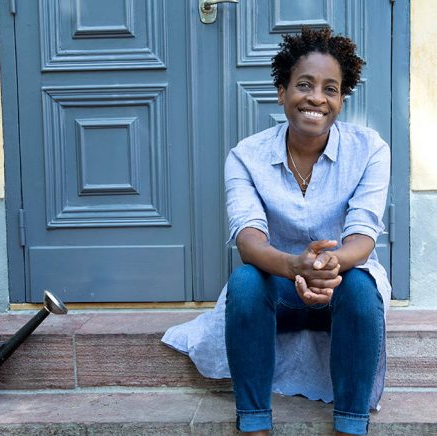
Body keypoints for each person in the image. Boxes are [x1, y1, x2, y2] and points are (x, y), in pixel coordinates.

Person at [163, 27, 391, 435]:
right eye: (304, 84)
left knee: (361, 285)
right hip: (280, 288)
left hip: (339, 286)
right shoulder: (246, 156)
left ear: (341, 99)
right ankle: (254, 424)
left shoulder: (370, 149)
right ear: (282, 91)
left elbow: (363, 235)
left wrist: (328, 265)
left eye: (331, 89)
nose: (317, 98)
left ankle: (351, 425)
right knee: (246, 281)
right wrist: (295, 266)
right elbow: (248, 240)